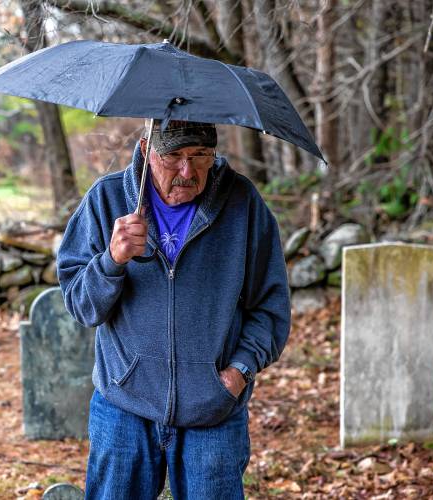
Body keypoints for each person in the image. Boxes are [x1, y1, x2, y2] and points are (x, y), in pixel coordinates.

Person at [56, 120, 291, 499]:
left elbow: (270, 308)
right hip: (123, 407)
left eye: (200, 156)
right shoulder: (106, 200)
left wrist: (236, 374)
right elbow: (82, 307)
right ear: (147, 149)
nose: (187, 171)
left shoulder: (242, 204)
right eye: (174, 157)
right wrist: (111, 261)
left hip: (212, 411)